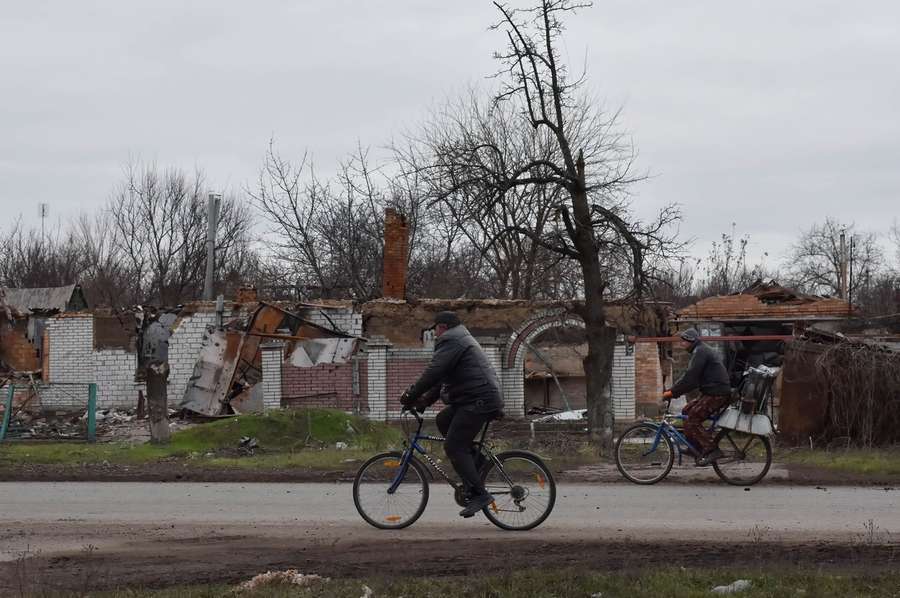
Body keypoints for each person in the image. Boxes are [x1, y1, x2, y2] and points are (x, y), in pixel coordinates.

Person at [400, 311, 504, 517]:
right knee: (443, 420)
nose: (435, 334)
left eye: (435, 329)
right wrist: (423, 402)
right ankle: (478, 466)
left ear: (443, 327)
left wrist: (411, 395)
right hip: (475, 397)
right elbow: (443, 379)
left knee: (453, 446)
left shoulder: (451, 340)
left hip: (478, 400)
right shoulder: (459, 338)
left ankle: (480, 494)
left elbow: (433, 373)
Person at [663, 328, 733, 465]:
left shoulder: (700, 351)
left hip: (717, 393)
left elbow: (690, 379)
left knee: (693, 418)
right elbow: (688, 376)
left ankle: (712, 449)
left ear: (691, 340)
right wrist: (674, 390)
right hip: (711, 392)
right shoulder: (698, 351)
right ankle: (694, 446)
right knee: (686, 411)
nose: (681, 344)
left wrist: (672, 393)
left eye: (684, 341)